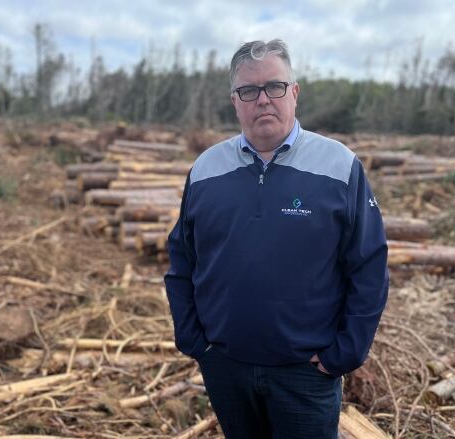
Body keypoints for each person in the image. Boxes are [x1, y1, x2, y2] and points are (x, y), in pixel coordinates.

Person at [164, 39, 389, 439]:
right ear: (235, 101)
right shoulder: (205, 170)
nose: (263, 99)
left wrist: (345, 353)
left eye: (275, 87)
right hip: (225, 366)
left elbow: (369, 265)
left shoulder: (339, 167)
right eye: (248, 91)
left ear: (295, 93)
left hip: (305, 372)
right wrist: (193, 339)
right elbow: (182, 260)